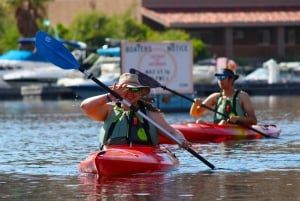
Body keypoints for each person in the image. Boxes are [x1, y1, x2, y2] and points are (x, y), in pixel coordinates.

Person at [80, 72, 192, 149]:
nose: (129, 92)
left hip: (145, 154)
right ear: (117, 91)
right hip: (113, 153)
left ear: (140, 93)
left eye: (134, 89)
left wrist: (181, 140)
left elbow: (172, 132)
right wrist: (108, 97)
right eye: (124, 89)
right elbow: (85, 107)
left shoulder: (151, 114)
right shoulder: (109, 111)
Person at [190, 63, 257, 126]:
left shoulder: (242, 96)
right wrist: (195, 104)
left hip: (236, 128)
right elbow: (195, 113)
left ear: (231, 79)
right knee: (199, 121)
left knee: (223, 123)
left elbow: (253, 120)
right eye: (219, 78)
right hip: (219, 128)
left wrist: (238, 118)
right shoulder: (215, 97)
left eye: (223, 77)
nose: (220, 80)